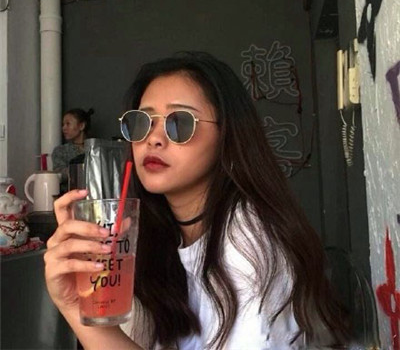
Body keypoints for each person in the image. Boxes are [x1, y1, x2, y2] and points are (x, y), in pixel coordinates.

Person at [44, 52, 350, 349]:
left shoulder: (249, 242)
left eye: (180, 122)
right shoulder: (158, 235)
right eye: (142, 122)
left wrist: (81, 317)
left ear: (227, 136)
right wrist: (75, 302)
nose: (153, 138)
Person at [51, 108, 94, 191]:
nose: (64, 128)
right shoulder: (60, 151)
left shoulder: (95, 149)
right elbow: (59, 175)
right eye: (63, 124)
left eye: (68, 124)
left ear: (81, 126)